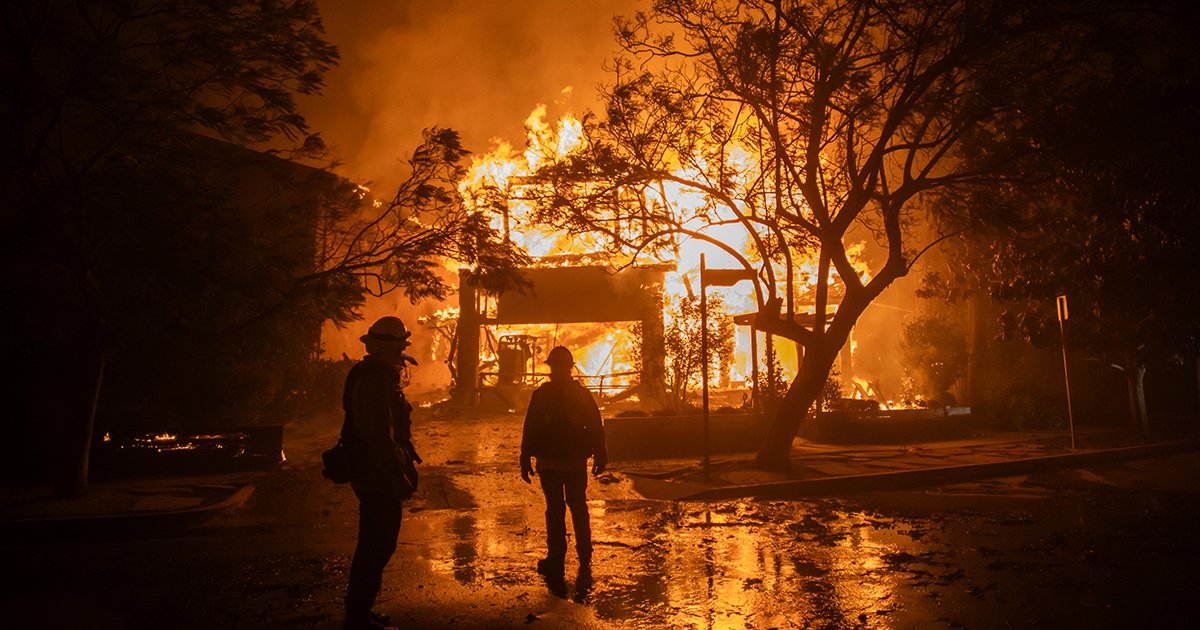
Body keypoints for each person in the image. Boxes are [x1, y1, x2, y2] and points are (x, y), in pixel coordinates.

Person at [342, 316, 421, 630]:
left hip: (371, 470)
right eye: (400, 347)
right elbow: (377, 433)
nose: (403, 355)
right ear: (392, 348)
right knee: (378, 543)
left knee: (375, 542)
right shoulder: (375, 381)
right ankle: (359, 616)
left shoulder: (373, 375)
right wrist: (393, 474)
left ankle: (360, 610)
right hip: (376, 474)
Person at [520, 345, 608, 598]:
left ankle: (556, 559)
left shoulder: (541, 395)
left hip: (550, 463)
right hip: (572, 462)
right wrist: (600, 453)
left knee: (556, 509)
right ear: (570, 368)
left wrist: (525, 457)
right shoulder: (580, 394)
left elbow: (531, 427)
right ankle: (584, 553)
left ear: (551, 367)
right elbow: (595, 424)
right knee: (578, 506)